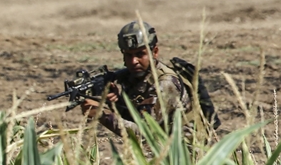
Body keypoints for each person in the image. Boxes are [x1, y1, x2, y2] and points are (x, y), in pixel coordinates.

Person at [83, 20, 219, 139]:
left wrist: (101, 114)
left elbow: (145, 134)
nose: (134, 61)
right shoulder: (136, 77)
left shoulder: (166, 83)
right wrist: (116, 102)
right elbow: (137, 117)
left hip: (184, 155)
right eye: (128, 55)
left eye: (140, 54)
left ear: (155, 52)